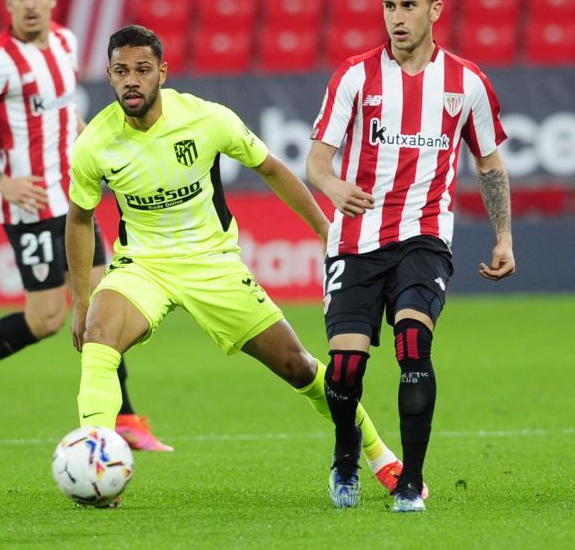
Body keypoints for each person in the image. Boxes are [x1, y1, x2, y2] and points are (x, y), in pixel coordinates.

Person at [66, 24, 411, 501]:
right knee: (99, 341)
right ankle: (98, 468)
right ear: (108, 73)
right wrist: (82, 300)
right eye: (121, 71)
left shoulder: (207, 120)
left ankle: (379, 456)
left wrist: (326, 231)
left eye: (142, 70)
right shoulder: (94, 144)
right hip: (142, 267)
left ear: (162, 72)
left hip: (214, 264)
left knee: (299, 367)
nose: (132, 80)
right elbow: (80, 219)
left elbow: (271, 168)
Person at [0, 0, 170, 452]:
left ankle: (124, 416)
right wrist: (1, 180)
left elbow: (62, 108)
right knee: (47, 320)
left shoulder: (65, 42)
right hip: (32, 206)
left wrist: (83, 140)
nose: (32, 4)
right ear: (9, 4)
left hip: (75, 198)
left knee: (104, 303)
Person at [306, 0, 516, 512]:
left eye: (407, 6)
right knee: (346, 368)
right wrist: (332, 186)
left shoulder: (466, 82)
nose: (396, 18)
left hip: (424, 238)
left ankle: (409, 483)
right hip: (355, 238)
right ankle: (347, 448)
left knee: (413, 344)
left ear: (434, 9)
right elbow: (317, 160)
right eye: (388, 6)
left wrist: (503, 237)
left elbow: (489, 164)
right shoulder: (355, 76)